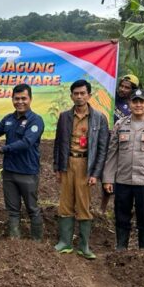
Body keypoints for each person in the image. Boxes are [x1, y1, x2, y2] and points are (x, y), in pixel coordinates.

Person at [103, 88, 144, 250]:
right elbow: (112, 153)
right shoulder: (120, 125)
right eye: (135, 101)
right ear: (130, 103)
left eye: (142, 101)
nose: (138, 105)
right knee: (121, 217)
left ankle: (143, 252)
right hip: (123, 180)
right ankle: (121, 249)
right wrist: (108, 178)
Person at [52, 79, 110, 259]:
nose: (79, 97)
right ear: (71, 96)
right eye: (76, 94)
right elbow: (58, 143)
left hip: (86, 165)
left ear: (89, 95)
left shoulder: (99, 118)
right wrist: (57, 168)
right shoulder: (64, 117)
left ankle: (84, 245)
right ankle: (65, 242)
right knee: (65, 203)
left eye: (82, 93)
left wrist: (96, 173)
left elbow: (102, 149)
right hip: (68, 163)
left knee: (84, 205)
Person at [0, 83, 45, 240]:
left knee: (32, 208)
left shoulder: (36, 120)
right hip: (9, 172)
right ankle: (15, 242)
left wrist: (2, 149)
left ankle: (37, 243)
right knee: (12, 210)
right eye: (16, 98)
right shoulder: (8, 119)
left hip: (28, 171)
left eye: (23, 98)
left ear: (30, 99)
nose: (20, 102)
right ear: (12, 99)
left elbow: (26, 143)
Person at [101, 74, 139, 213]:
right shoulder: (111, 100)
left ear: (133, 90)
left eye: (127, 87)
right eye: (121, 86)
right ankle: (103, 208)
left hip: (126, 145)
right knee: (108, 174)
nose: (122, 89)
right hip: (109, 142)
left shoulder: (135, 106)